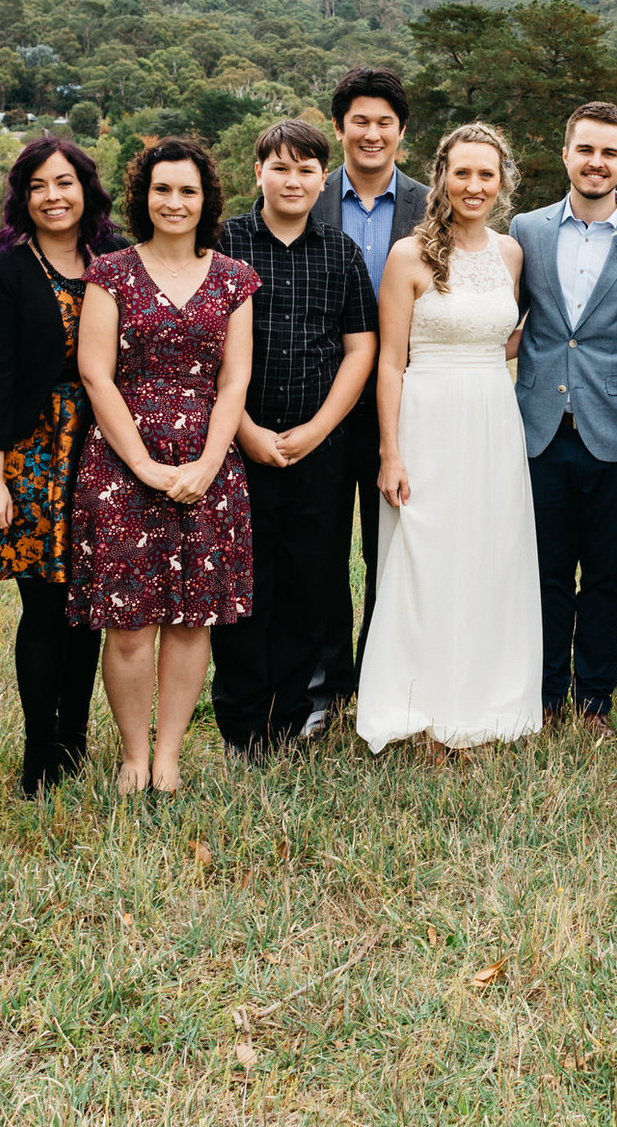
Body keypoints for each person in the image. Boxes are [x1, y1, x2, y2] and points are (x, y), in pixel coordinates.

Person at [0, 135, 120, 796]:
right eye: (38, 185)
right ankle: (40, 757)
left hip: (104, 444)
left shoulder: (117, 260)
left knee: (88, 605)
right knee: (44, 605)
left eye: (64, 182)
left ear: (85, 188)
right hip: (33, 451)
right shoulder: (1, 269)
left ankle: (76, 741)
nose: (53, 196)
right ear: (22, 197)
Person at [71, 137, 259, 796]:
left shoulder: (235, 277)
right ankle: (131, 754)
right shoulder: (111, 271)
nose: (174, 201)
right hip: (124, 464)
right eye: (162, 189)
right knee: (128, 624)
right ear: (143, 196)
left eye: (187, 190)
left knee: (189, 621)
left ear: (205, 198)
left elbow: (235, 380)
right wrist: (147, 467)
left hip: (209, 463)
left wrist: (209, 461)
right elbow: (96, 375)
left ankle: (169, 755)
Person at [355, 123, 544, 754]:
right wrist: (390, 450)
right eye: (462, 172)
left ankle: (486, 704)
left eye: (486, 174)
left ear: (502, 182)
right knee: (425, 559)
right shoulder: (409, 256)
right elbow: (388, 361)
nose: (473, 185)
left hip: (493, 417)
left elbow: (503, 337)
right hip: (426, 417)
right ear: (441, 176)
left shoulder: (511, 253)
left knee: (491, 557)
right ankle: (420, 705)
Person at [213, 120, 380, 760]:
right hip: (235, 446)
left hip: (321, 449)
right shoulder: (223, 244)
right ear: (258, 172)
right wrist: (245, 431)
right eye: (280, 167)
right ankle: (241, 723)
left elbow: (360, 348)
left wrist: (317, 429)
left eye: (306, 169)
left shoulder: (340, 252)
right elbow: (205, 351)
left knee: (311, 583)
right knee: (242, 584)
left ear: (322, 177)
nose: (293, 180)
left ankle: (289, 721)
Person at [509, 102, 617, 737]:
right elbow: (510, 320)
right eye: (586, 150)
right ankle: (546, 696)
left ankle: (595, 702)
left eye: (609, 152)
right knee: (546, 575)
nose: (596, 162)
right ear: (566, 154)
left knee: (605, 578)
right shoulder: (527, 231)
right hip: (541, 431)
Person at [313, 67, 430, 718]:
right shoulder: (310, 194)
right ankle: (328, 684)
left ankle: (384, 677)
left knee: (392, 546)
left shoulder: (430, 203)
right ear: (339, 127)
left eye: (385, 121)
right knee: (326, 548)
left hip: (407, 402)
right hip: (323, 403)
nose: (372, 132)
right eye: (359, 120)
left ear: (401, 132)